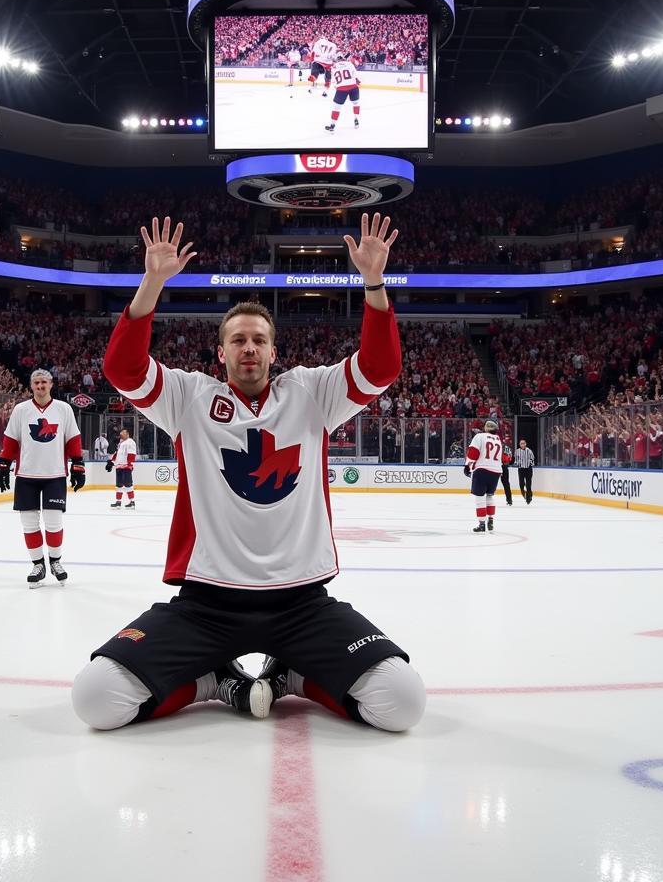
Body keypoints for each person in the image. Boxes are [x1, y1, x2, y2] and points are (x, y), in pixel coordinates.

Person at [72, 213, 425, 733]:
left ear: (274, 352)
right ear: (221, 353)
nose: (249, 348)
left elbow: (380, 368)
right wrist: (152, 283)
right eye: (238, 340)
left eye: (259, 339)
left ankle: (293, 679)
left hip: (301, 603)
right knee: (96, 699)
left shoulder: (311, 393)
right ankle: (214, 683)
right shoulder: (190, 397)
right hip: (206, 605)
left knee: (402, 703)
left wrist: (373, 281)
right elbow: (123, 370)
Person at [0, 369, 86, 588]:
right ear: (31, 385)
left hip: (55, 474)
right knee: (29, 523)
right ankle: (38, 564)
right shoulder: (21, 410)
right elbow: (11, 440)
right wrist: (3, 464)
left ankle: (55, 561)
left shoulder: (63, 409)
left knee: (54, 522)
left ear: (51, 384)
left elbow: (72, 439)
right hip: (26, 475)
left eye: (44, 382)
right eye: (36, 382)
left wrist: (78, 465)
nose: (40, 386)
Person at [465, 419, 503, 533]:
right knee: (490, 496)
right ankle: (490, 521)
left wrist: (467, 465)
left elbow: (473, 452)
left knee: (479, 498)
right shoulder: (498, 440)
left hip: (482, 469)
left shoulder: (479, 436)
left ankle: (482, 524)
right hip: (496, 471)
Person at [324, 55, 361, 134]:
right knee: (356, 103)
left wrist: (337, 86)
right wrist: (357, 81)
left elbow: (334, 81)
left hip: (341, 89)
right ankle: (356, 120)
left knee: (336, 108)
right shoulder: (349, 64)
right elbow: (356, 75)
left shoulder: (334, 67)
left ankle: (332, 126)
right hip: (353, 87)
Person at [107, 428, 138, 508]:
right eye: (121, 433)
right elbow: (117, 454)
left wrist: (129, 464)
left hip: (126, 467)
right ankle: (118, 502)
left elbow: (132, 454)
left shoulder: (130, 442)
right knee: (119, 485)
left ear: (127, 434)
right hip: (119, 466)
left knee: (128, 484)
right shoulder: (121, 443)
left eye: (123, 433)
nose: (121, 434)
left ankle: (132, 502)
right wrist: (111, 462)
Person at [514, 438, 535, 504]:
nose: (522, 445)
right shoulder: (517, 451)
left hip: (528, 469)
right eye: (521, 443)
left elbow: (532, 459)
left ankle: (528, 498)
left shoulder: (529, 451)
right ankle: (525, 494)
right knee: (521, 484)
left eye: (523, 443)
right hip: (521, 469)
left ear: (526, 444)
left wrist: (530, 464)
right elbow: (516, 460)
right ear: (519, 444)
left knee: (528, 484)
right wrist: (518, 464)